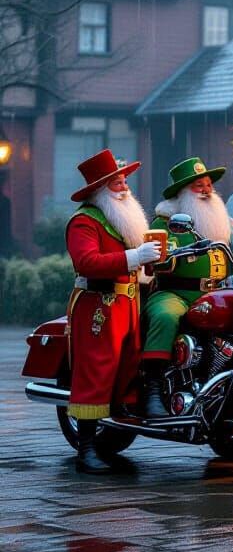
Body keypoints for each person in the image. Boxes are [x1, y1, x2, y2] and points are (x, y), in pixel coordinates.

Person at [65, 149, 162, 472]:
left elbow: (136, 265)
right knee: (98, 371)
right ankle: (86, 450)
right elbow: (87, 263)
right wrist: (136, 257)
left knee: (127, 367)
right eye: (116, 183)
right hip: (99, 306)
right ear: (99, 190)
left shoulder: (119, 219)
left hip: (129, 302)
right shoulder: (84, 221)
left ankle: (121, 426)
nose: (125, 188)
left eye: (124, 182)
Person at [143, 157, 233, 416]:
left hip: (215, 295)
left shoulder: (219, 223)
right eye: (198, 186)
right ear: (183, 192)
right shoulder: (167, 223)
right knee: (165, 315)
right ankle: (153, 388)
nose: (206, 190)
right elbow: (160, 256)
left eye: (208, 185)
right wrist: (172, 253)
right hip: (175, 293)